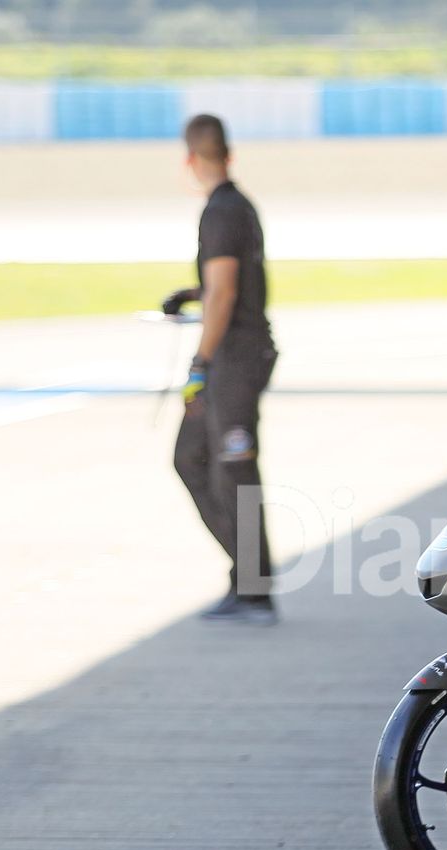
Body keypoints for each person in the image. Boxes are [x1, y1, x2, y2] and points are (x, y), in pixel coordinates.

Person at [161, 114, 278, 625]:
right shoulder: (237, 206)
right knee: (192, 457)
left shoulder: (221, 212)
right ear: (227, 153)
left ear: (190, 159)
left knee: (232, 469)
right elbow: (221, 284)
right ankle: (246, 575)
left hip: (233, 360)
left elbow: (227, 290)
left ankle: (254, 589)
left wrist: (200, 363)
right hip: (236, 354)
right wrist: (192, 295)